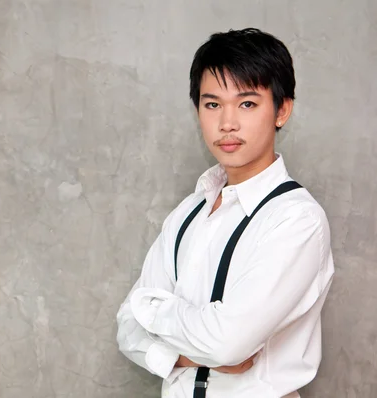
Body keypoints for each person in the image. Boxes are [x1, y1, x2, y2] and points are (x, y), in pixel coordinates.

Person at [116, 28, 334, 398]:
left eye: (247, 104)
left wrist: (152, 310)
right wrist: (192, 355)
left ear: (281, 110)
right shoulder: (188, 213)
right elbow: (127, 330)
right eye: (212, 104)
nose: (226, 123)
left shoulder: (296, 220)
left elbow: (227, 344)